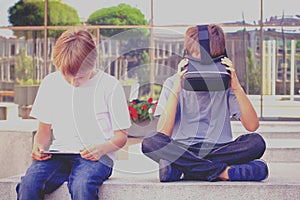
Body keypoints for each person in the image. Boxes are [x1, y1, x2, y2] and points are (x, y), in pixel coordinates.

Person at [141, 24, 268, 182]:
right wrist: (176, 90)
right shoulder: (173, 83)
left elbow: (252, 125)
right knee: (151, 142)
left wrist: (236, 87)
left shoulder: (228, 84)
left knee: (256, 143)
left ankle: (182, 168)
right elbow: (163, 133)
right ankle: (225, 172)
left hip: (219, 147)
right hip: (183, 147)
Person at [16, 29, 131, 199]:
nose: (74, 83)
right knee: (28, 184)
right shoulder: (50, 83)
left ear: (93, 63)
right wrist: (38, 147)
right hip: (59, 154)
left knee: (81, 185)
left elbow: (121, 136)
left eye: (80, 77)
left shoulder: (109, 86)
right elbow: (44, 132)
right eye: (67, 76)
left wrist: (101, 149)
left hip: (97, 157)